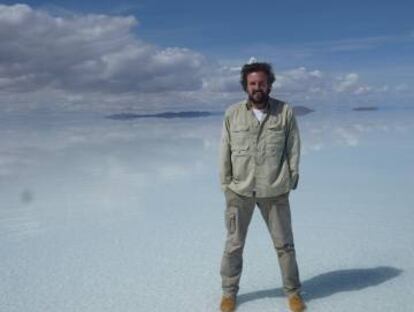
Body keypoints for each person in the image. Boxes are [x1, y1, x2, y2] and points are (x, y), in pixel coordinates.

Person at [218, 62, 306, 312]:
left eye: (262, 83)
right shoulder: (232, 113)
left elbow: (293, 148)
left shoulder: (285, 111)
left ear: (269, 84)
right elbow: (224, 150)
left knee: (285, 246)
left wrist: (291, 179)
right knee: (233, 246)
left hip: (275, 190)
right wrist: (226, 185)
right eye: (252, 83)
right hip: (240, 191)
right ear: (246, 86)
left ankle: (293, 293)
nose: (257, 87)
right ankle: (228, 293)